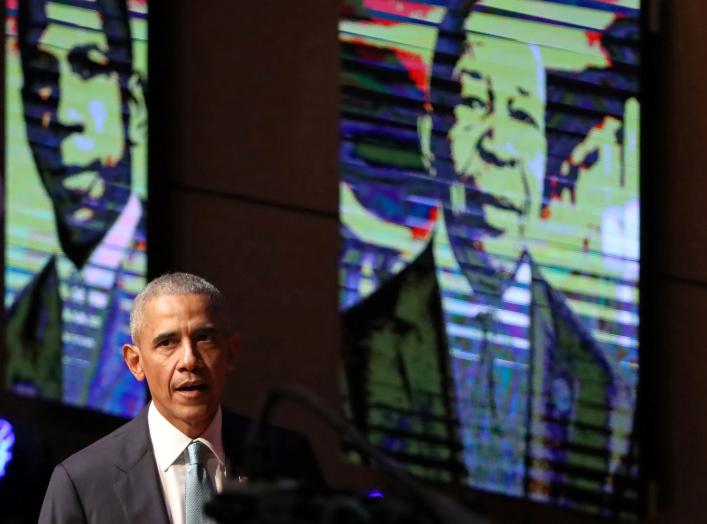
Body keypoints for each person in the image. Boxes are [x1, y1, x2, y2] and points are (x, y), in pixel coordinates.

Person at [341, 0, 632, 508]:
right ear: (432, 139)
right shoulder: (354, 356)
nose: (500, 145)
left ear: (544, 154)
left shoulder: (601, 389)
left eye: (521, 113)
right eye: (476, 104)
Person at [38, 272, 322, 524]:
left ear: (231, 352)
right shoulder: (82, 482)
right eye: (167, 343)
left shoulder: (288, 458)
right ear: (135, 362)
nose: (189, 360)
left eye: (204, 339)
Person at [6, 0, 148, 416]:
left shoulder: (187, 296)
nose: (64, 111)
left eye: (88, 68)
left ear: (135, 107)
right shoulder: (18, 324)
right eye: (42, 76)